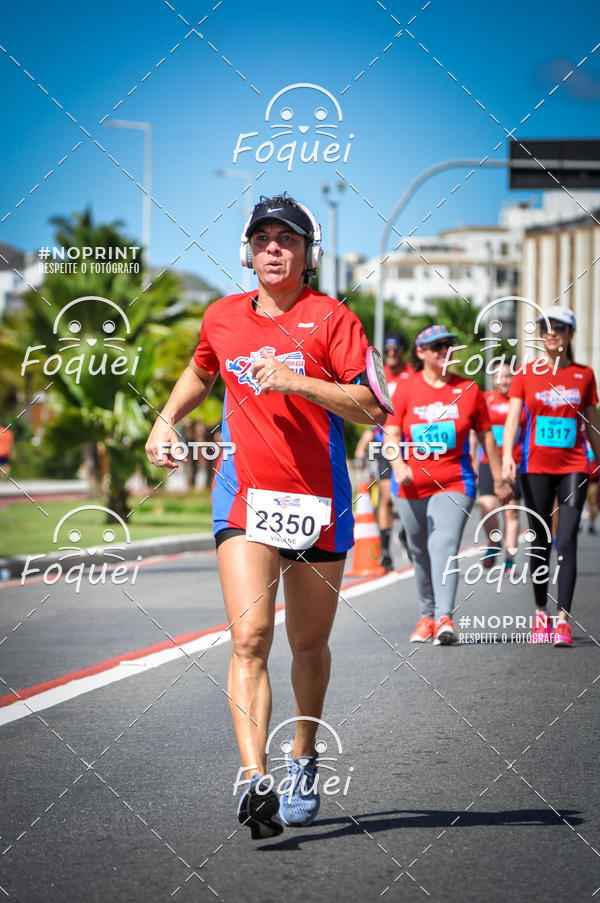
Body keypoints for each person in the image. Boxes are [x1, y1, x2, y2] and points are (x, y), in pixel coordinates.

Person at [145, 194, 385, 838]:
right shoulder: (222, 316)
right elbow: (201, 371)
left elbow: (370, 405)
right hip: (244, 499)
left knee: (308, 644)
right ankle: (254, 778)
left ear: (309, 254)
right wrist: (167, 420)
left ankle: (302, 753)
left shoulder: (333, 319)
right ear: (247, 251)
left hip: (318, 503)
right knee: (249, 639)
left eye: (288, 238)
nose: (273, 247)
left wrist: (297, 381)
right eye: (262, 238)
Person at [386, 324, 512, 644]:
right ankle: (426, 615)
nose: (444, 351)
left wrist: (498, 480)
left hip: (454, 481)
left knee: (442, 544)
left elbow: (486, 437)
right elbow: (391, 434)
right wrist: (398, 465)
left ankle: (444, 617)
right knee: (419, 550)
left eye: (448, 345)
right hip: (410, 484)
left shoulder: (468, 390)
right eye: (436, 346)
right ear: (421, 353)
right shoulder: (405, 389)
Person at [502, 306, 600, 647]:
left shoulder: (584, 375)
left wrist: (599, 459)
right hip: (535, 467)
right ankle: (541, 611)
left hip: (574, 465)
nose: (551, 332)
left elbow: (590, 422)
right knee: (541, 541)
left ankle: (563, 620)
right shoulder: (526, 373)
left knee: (568, 540)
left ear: (571, 334)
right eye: (545, 327)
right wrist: (505, 459)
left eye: (559, 327)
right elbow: (513, 419)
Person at [354, 332, 413, 569]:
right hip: (385, 444)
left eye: (395, 350)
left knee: (407, 498)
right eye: (387, 350)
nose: (390, 354)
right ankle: (386, 552)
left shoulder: (412, 374)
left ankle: (406, 536)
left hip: (409, 443)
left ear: (402, 351)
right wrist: (363, 443)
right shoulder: (379, 375)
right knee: (387, 498)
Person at [477, 362, 526, 571]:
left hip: (515, 465)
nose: (504, 380)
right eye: (500, 376)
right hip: (489, 463)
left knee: (511, 513)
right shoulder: (485, 399)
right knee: (486, 506)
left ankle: (509, 559)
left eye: (508, 376)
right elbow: (474, 433)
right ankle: (493, 542)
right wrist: (472, 459)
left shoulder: (521, 403)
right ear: (493, 379)